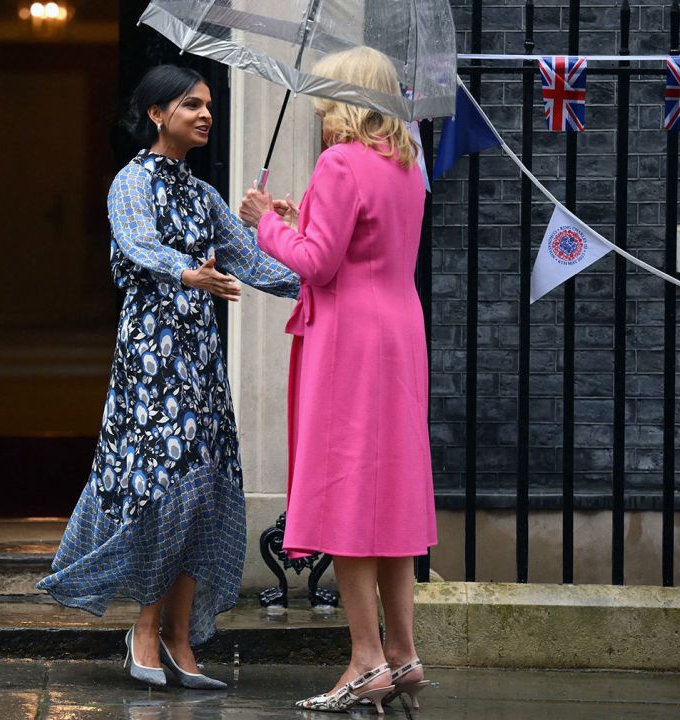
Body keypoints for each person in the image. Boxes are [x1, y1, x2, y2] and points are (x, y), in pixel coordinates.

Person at [37, 64, 300, 690]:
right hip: (152, 360)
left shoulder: (204, 196)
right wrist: (190, 275)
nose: (206, 114)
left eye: (209, 104)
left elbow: (261, 264)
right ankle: (145, 632)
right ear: (156, 113)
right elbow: (137, 245)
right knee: (162, 492)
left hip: (200, 363)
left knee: (204, 492)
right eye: (191, 104)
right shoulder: (132, 182)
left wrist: (299, 242)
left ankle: (181, 641)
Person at [239, 46, 437, 713]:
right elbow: (358, 246)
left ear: (346, 100)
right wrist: (302, 221)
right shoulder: (407, 166)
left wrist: (264, 222)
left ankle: (365, 658)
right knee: (393, 497)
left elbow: (318, 266)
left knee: (352, 494)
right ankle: (404, 653)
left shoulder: (340, 162)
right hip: (400, 333)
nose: (321, 114)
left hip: (350, 341)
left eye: (327, 99)